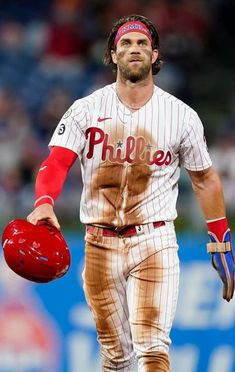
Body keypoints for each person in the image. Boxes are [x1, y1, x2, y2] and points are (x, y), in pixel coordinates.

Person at [27, 14, 235, 372]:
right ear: (113, 54)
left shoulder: (181, 115)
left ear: (155, 55)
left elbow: (205, 179)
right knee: (115, 359)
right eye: (126, 43)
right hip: (98, 243)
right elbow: (56, 162)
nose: (134, 49)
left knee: (153, 350)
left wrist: (221, 239)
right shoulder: (86, 109)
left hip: (154, 240)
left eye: (142, 43)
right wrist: (44, 201)